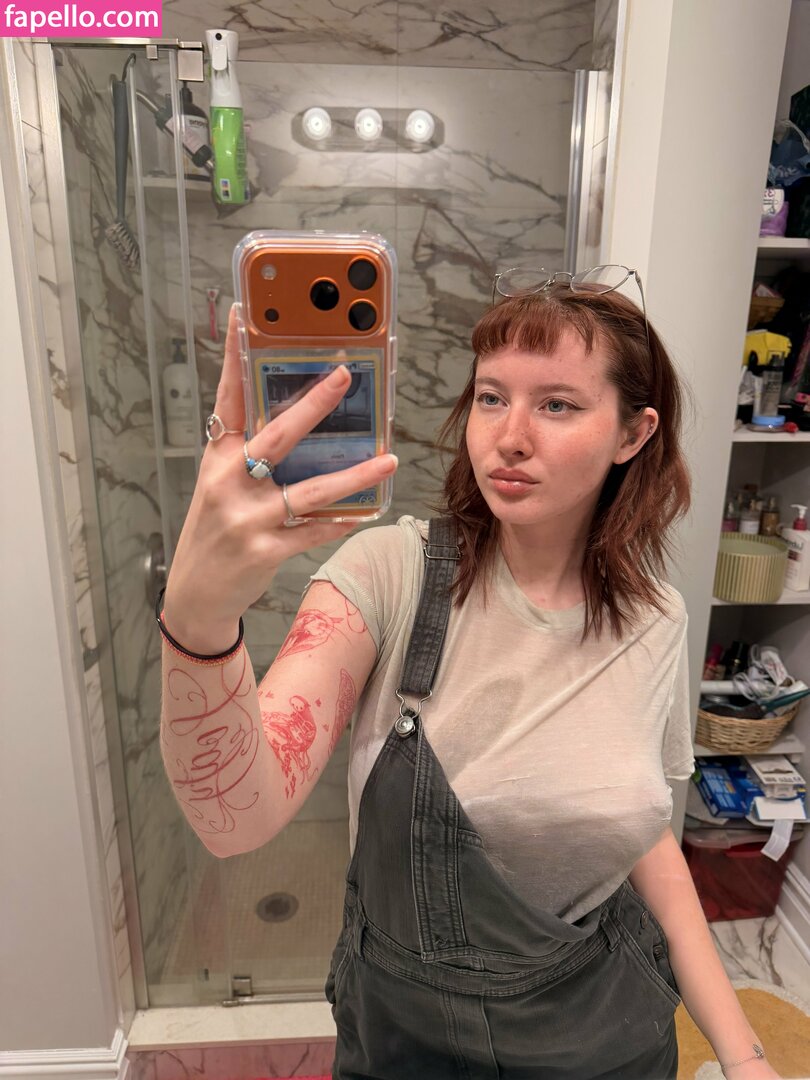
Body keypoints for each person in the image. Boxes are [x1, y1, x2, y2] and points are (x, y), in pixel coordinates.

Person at [158, 275, 776, 1079]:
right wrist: (199, 617)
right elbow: (232, 819)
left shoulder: (656, 619)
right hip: (406, 1046)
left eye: (557, 405)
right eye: (491, 397)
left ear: (633, 433)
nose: (509, 437)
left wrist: (744, 1054)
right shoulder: (390, 573)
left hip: (606, 1039)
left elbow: (645, 832)